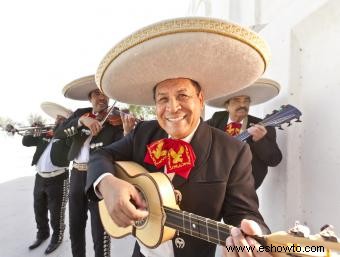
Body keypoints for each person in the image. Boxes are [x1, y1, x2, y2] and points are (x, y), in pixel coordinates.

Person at [84, 17, 273, 257]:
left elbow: (244, 213)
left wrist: (254, 236)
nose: (172, 108)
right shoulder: (144, 133)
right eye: (163, 99)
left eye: (183, 95)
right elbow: (101, 154)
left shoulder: (233, 151)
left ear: (201, 99)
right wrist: (107, 183)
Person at [54, 75, 135, 257]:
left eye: (104, 94)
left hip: (98, 177)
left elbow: (122, 151)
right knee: (75, 226)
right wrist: (81, 121)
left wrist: (127, 132)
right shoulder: (80, 114)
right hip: (76, 175)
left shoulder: (116, 121)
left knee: (100, 231)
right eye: (97, 94)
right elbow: (59, 134)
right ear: (90, 98)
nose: (102, 98)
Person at [206, 78, 282, 189]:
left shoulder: (263, 127)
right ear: (227, 106)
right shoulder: (212, 124)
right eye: (237, 100)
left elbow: (274, 160)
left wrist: (260, 141)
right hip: (214, 187)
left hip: (245, 190)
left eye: (246, 100)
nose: (242, 104)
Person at [22, 102, 72, 254]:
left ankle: (57, 237)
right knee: (39, 209)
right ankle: (42, 234)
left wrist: (59, 131)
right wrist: (32, 131)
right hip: (40, 178)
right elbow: (26, 142)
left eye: (61, 119)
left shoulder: (68, 137)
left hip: (58, 179)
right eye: (57, 118)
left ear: (68, 122)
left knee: (56, 212)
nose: (57, 120)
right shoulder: (46, 134)